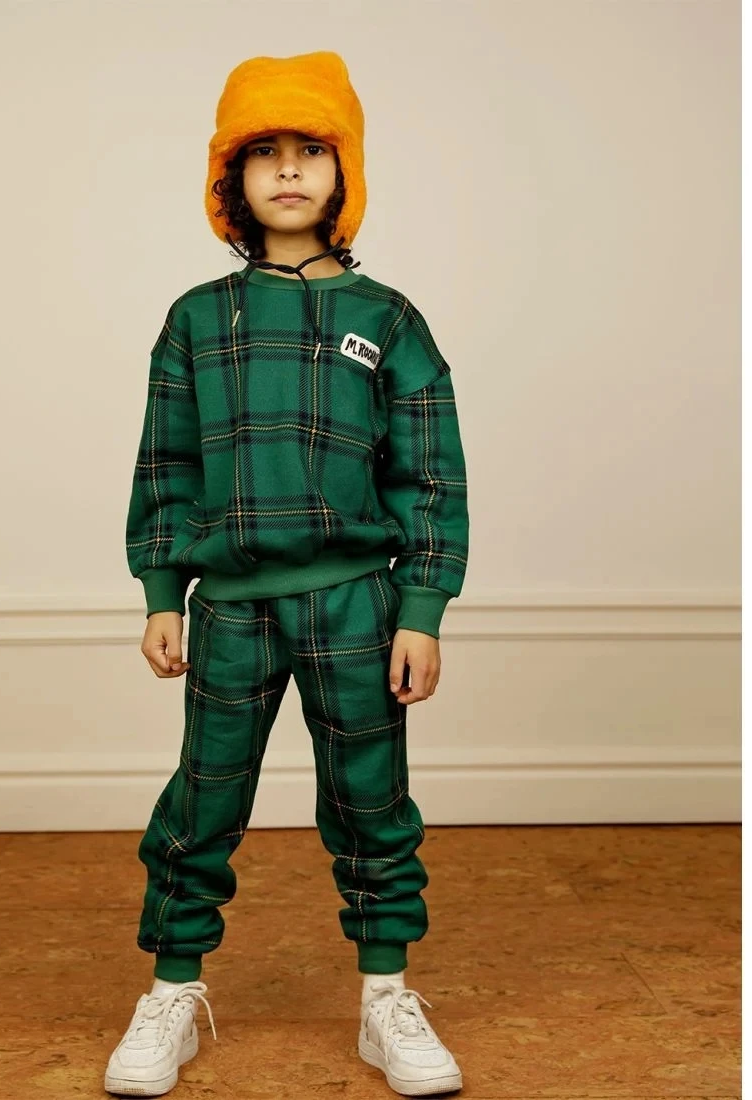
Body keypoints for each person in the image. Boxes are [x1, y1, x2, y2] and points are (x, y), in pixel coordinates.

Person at [106, 51, 470, 1098]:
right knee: (203, 798)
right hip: (229, 609)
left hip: (358, 605)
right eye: (263, 152)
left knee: (370, 800)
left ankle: (386, 997)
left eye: (311, 149)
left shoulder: (387, 319)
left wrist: (421, 608)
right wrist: (160, 592)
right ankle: (172, 992)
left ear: (343, 171)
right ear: (231, 180)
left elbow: (430, 474)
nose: (289, 169)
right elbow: (165, 464)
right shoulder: (195, 319)